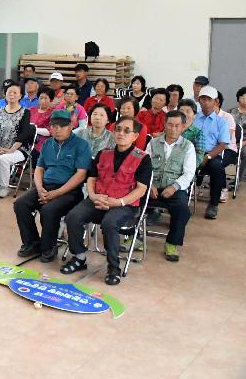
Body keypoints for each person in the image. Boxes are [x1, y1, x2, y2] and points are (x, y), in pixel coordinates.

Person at [60, 116, 150, 285]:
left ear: (135, 136)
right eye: (118, 129)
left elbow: (141, 189)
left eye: (126, 130)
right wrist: (93, 196)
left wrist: (119, 202)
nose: (121, 133)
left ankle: (113, 267)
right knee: (73, 216)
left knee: (109, 223)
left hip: (125, 205)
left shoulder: (143, 158)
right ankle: (79, 257)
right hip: (98, 198)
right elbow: (92, 179)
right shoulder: (103, 153)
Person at [14, 110, 91, 263]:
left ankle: (49, 247)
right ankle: (32, 243)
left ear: (71, 126)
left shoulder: (81, 145)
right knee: (20, 204)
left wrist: (57, 193)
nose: (57, 129)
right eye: (54, 126)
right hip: (46, 187)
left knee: (48, 210)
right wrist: (40, 188)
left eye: (62, 126)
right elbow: (39, 169)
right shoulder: (48, 143)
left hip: (69, 191)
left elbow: (81, 174)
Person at [147, 110, 196, 262]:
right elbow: (144, 166)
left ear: (182, 127)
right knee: (132, 201)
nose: (173, 129)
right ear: (165, 125)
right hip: (152, 186)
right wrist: (150, 185)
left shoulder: (188, 147)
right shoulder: (153, 143)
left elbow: (189, 174)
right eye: (170, 125)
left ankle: (172, 243)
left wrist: (174, 187)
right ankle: (134, 237)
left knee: (182, 210)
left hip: (174, 188)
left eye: (177, 126)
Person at [194, 86, 231, 219]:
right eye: (202, 99)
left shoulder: (221, 122)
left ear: (215, 102)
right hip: (191, 153)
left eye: (209, 99)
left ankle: (213, 204)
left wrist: (208, 156)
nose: (205, 102)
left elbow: (223, 145)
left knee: (217, 167)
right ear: (199, 100)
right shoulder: (193, 118)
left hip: (209, 155)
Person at [0, 82, 33, 198]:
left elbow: (25, 133)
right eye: (9, 92)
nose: (12, 95)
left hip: (19, 149)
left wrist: (11, 149)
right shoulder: (0, 111)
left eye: (15, 92)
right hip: (1, 146)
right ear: (5, 94)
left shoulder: (25, 112)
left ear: (20, 96)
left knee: (4, 159)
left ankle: (5, 187)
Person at [214, 92, 238, 202]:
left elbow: (225, 139)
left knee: (218, 163)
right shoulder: (202, 116)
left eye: (207, 99)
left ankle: (222, 189)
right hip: (211, 149)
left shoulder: (227, 117)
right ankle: (196, 185)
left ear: (217, 102)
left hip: (228, 150)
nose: (203, 103)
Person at [29, 87, 57, 166]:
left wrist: (33, 129)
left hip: (44, 141)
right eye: (41, 98)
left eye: (46, 98)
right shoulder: (31, 110)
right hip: (28, 139)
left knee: (35, 151)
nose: (43, 101)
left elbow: (50, 131)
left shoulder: (53, 113)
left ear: (51, 100)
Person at [178, 99, 206, 165]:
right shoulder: (170, 129)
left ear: (194, 115)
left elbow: (199, 157)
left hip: (187, 168)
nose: (184, 114)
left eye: (188, 111)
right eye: (181, 111)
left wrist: (187, 168)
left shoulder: (198, 133)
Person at [231, 86, 246, 187]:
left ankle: (239, 180)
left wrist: (242, 143)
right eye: (243, 97)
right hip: (230, 140)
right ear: (238, 98)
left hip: (245, 141)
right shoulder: (230, 112)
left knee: (244, 153)